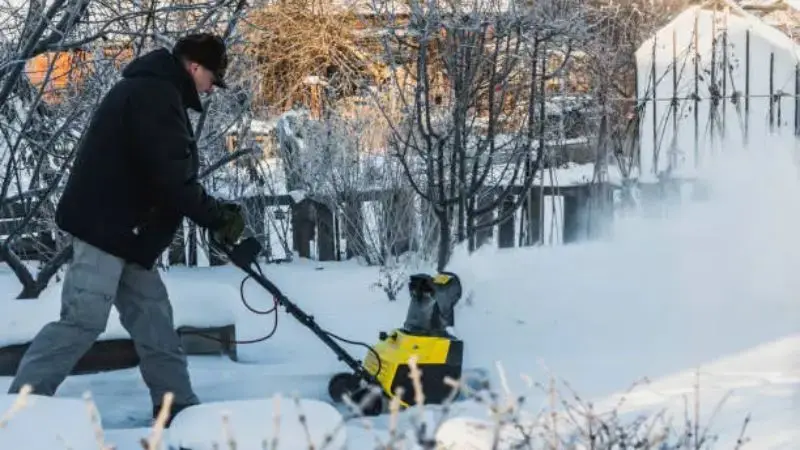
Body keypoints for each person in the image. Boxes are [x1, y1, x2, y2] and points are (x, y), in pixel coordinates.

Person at [6, 33, 245, 426]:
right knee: (82, 320)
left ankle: (177, 407)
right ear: (195, 65)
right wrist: (216, 216)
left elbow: (162, 174)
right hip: (106, 228)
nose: (211, 88)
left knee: (154, 319)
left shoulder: (156, 90)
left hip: (131, 232)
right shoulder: (154, 95)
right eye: (212, 78)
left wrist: (206, 214)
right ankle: (20, 409)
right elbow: (171, 178)